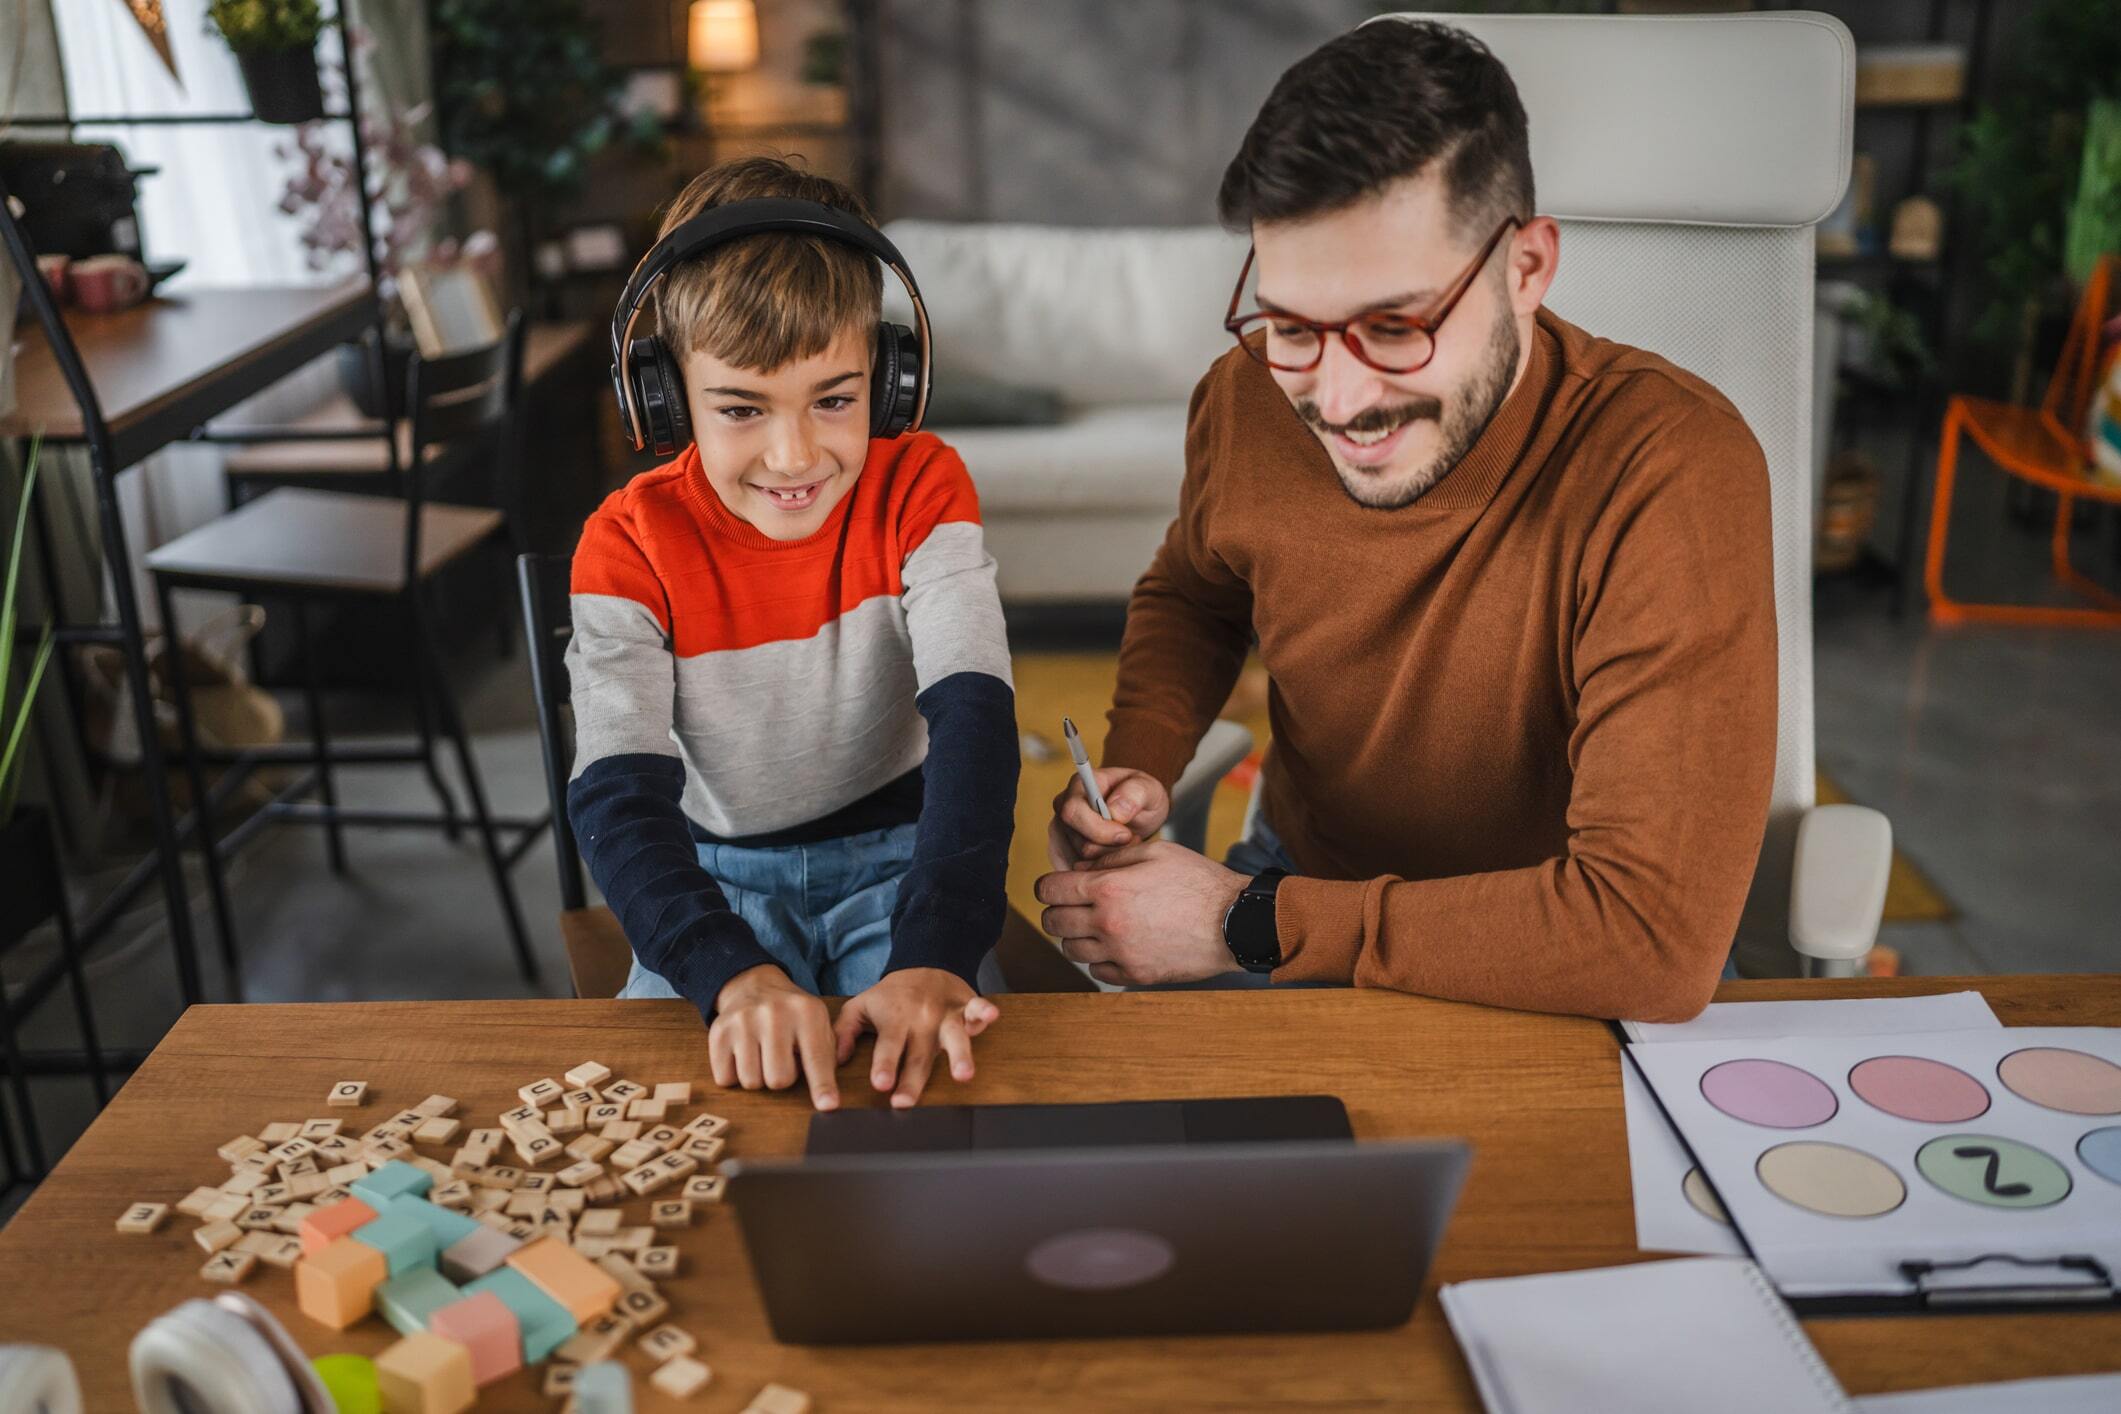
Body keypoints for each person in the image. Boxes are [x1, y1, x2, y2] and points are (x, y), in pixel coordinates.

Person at [1037, 19, 1777, 1023]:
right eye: (1294, 325)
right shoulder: (1247, 395)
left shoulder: (1671, 467)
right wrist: (1139, 757)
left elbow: (1648, 938)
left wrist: (1244, 921)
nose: (1339, 399)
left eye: (1396, 325)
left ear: (1527, 268)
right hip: (1298, 885)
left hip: (1561, 961)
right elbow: (1197, 590)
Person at [567, 157, 1018, 1110]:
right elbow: (617, 801)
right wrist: (728, 974)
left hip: (906, 865)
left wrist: (935, 953)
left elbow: (975, 724)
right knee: (672, 1107)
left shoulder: (922, 486)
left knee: (954, 1094)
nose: (796, 456)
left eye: (835, 398)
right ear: (663, 398)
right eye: (739, 408)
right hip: (711, 882)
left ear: (890, 382)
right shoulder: (624, 544)